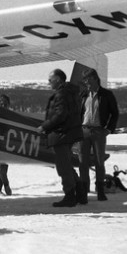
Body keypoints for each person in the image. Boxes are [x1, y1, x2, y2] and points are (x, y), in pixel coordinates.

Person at [38, 69, 84, 207]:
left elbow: (60, 115)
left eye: (50, 80)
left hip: (61, 134)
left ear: (58, 79)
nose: (49, 82)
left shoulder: (61, 94)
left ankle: (70, 196)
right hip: (68, 133)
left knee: (63, 167)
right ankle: (80, 194)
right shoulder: (69, 92)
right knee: (67, 165)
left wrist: (45, 126)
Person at [78, 70, 119, 201]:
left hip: (99, 131)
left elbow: (115, 113)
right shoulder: (84, 95)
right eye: (85, 81)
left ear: (95, 79)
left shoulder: (106, 95)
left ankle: (100, 190)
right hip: (84, 131)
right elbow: (79, 112)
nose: (86, 83)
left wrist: (108, 129)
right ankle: (84, 191)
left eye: (88, 80)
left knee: (99, 161)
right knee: (82, 162)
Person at [0, 94, 12, 195]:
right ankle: (5, 187)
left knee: (2, 167)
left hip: (5, 142)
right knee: (2, 166)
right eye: (0, 103)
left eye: (4, 103)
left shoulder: (6, 115)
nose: (2, 105)